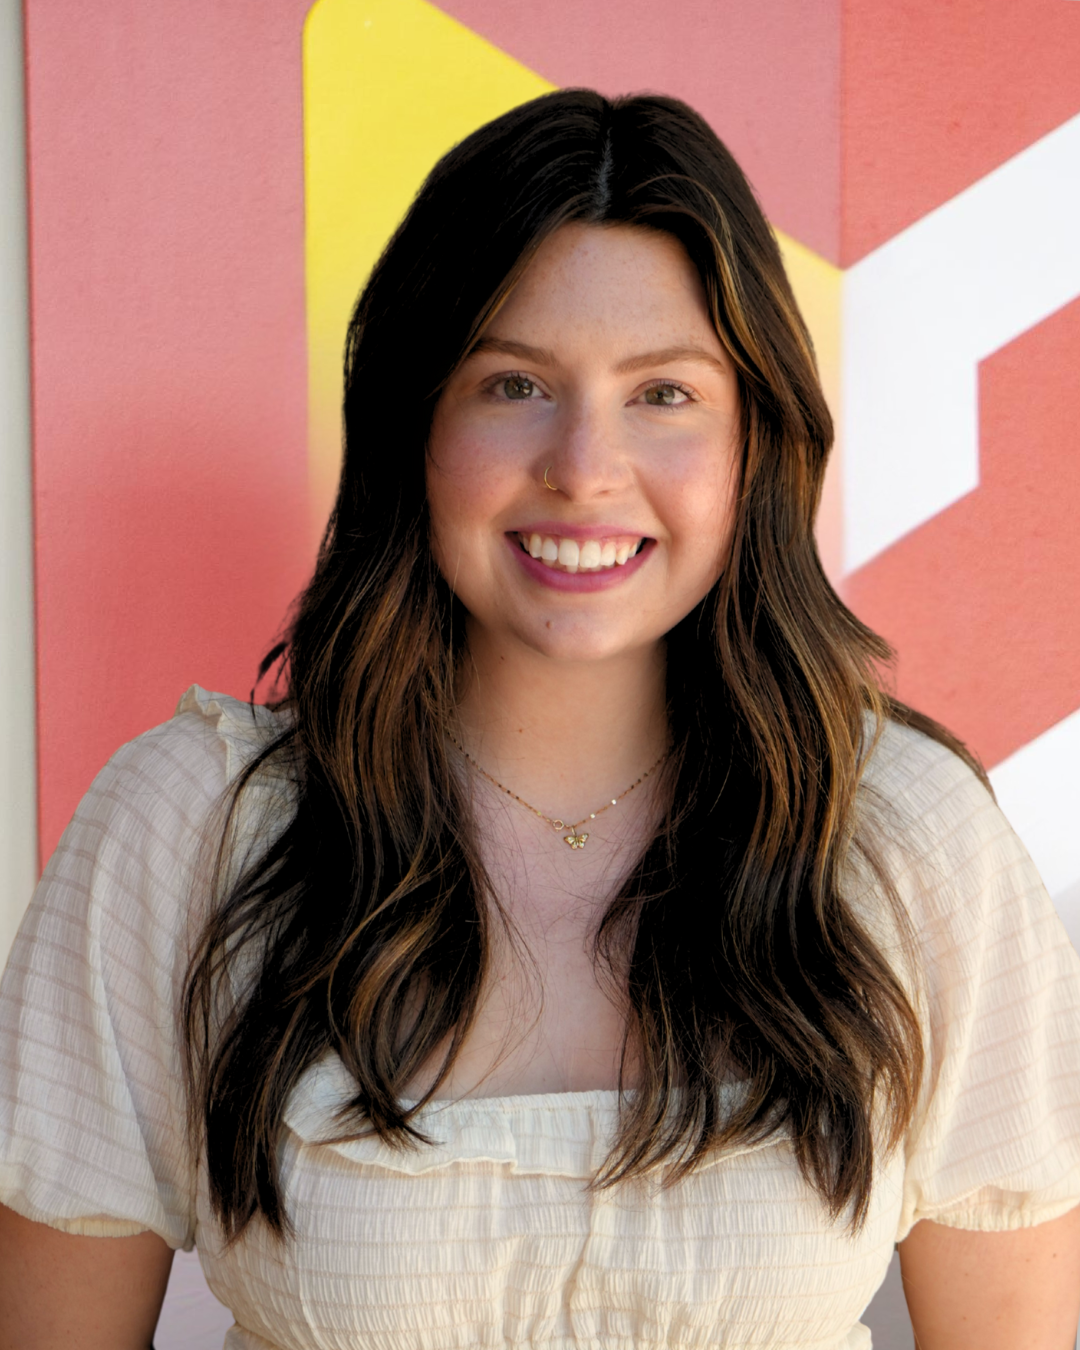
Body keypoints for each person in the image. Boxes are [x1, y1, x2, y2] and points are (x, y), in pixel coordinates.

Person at [1, 89, 1079, 1350]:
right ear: (415, 423)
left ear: (755, 446)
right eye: (515, 383)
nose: (583, 467)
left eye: (664, 394)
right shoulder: (188, 830)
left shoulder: (909, 840)